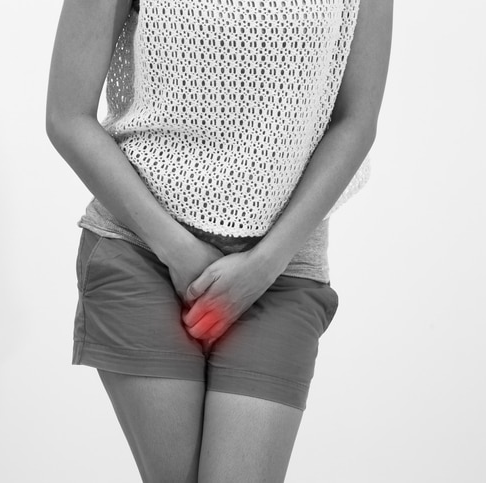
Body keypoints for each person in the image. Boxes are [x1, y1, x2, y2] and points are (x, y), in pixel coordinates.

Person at [46, 0, 393, 480]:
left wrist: (264, 264)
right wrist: (177, 249)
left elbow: (356, 121)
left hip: (281, 267)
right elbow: (67, 115)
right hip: (142, 247)